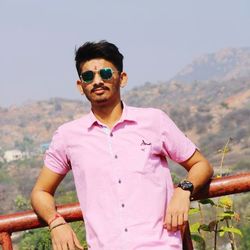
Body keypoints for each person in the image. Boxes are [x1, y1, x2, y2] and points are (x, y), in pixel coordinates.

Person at [31, 40, 213, 250]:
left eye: (105, 74)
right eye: (88, 76)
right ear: (80, 86)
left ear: (122, 78)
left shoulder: (154, 121)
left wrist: (184, 190)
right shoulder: (68, 136)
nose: (97, 81)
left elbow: (201, 165)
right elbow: (40, 192)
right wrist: (55, 222)